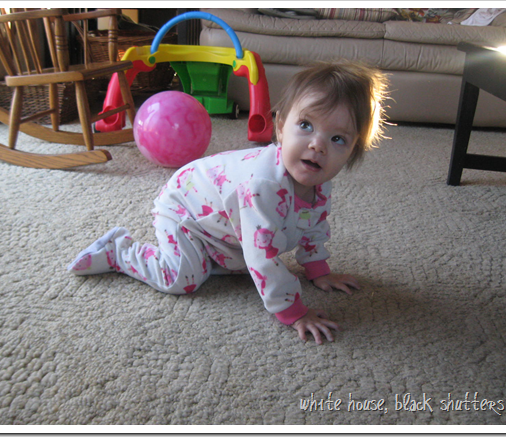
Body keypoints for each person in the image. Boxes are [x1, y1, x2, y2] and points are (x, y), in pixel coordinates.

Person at [68, 61, 388, 344]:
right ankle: (118, 252)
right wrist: (294, 312)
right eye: (306, 125)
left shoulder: (319, 182)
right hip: (184, 208)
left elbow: (312, 225)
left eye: (337, 139)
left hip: (223, 221)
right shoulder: (264, 186)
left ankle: (211, 252)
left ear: (352, 153)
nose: (317, 145)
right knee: (182, 279)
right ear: (280, 127)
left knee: (239, 262)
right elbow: (262, 256)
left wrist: (318, 270)